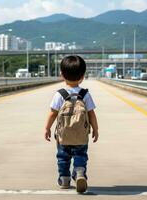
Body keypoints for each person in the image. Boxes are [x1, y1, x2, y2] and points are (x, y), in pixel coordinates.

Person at [44, 55, 99, 193]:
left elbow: (53, 113)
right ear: (82, 76)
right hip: (81, 135)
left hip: (63, 136)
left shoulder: (60, 94)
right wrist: (95, 129)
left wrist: (47, 128)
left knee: (63, 157)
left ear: (62, 75)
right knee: (80, 155)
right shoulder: (85, 94)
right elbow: (91, 114)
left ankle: (64, 179)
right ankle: (80, 172)